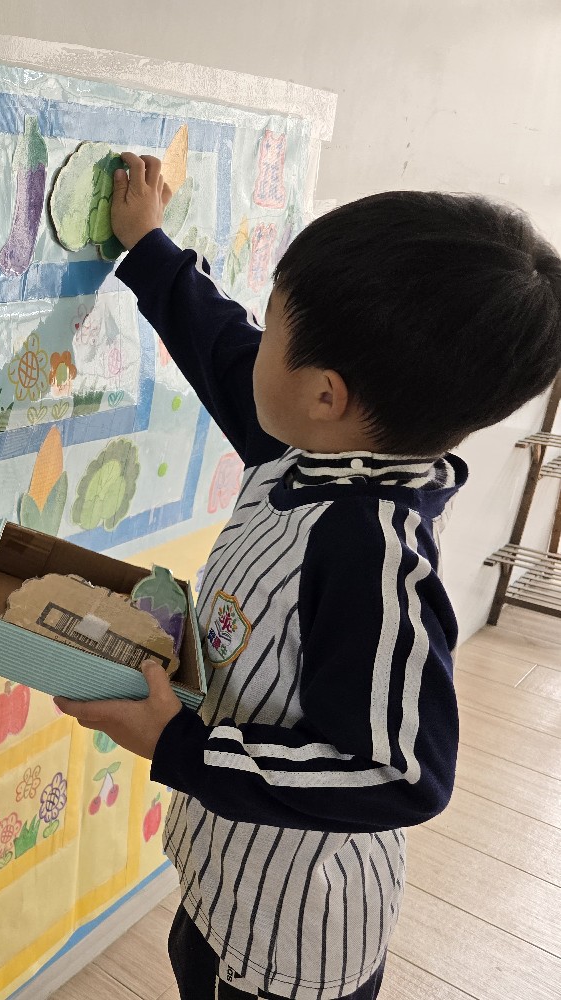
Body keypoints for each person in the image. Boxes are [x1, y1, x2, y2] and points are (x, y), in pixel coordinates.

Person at [54, 153, 561, 1000]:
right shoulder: (311, 448)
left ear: (325, 394)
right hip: (227, 883)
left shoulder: (374, 555)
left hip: (293, 945)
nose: (255, 343)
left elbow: (398, 773)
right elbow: (219, 348)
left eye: (273, 330)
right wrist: (146, 245)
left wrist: (176, 745)